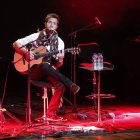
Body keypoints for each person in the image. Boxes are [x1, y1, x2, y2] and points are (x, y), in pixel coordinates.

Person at [12, 13, 80, 121]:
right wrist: (26, 53)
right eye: (50, 22)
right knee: (44, 64)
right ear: (45, 23)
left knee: (60, 86)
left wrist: (60, 60)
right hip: (34, 71)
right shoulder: (36, 36)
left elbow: (57, 65)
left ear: (57, 27)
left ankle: (50, 115)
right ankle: (70, 84)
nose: (52, 25)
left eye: (54, 23)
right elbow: (16, 43)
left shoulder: (60, 43)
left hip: (48, 72)